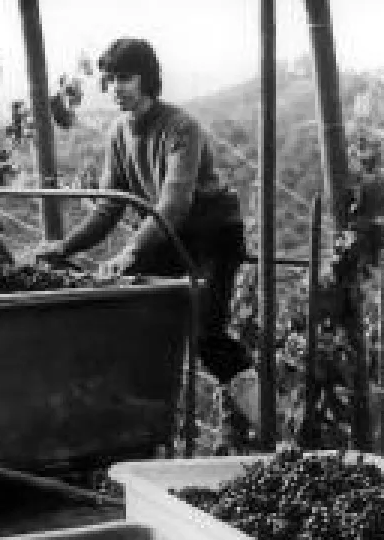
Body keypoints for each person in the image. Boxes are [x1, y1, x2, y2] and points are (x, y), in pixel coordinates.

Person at [35, 37, 260, 432]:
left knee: (206, 334)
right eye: (111, 79)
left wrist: (129, 251)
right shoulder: (119, 133)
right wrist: (65, 247)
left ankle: (270, 424)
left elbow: (175, 204)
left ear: (147, 79)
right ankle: (140, 428)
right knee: (129, 313)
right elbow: (109, 206)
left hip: (211, 231)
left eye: (125, 77)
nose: (116, 87)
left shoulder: (180, 127)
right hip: (164, 232)